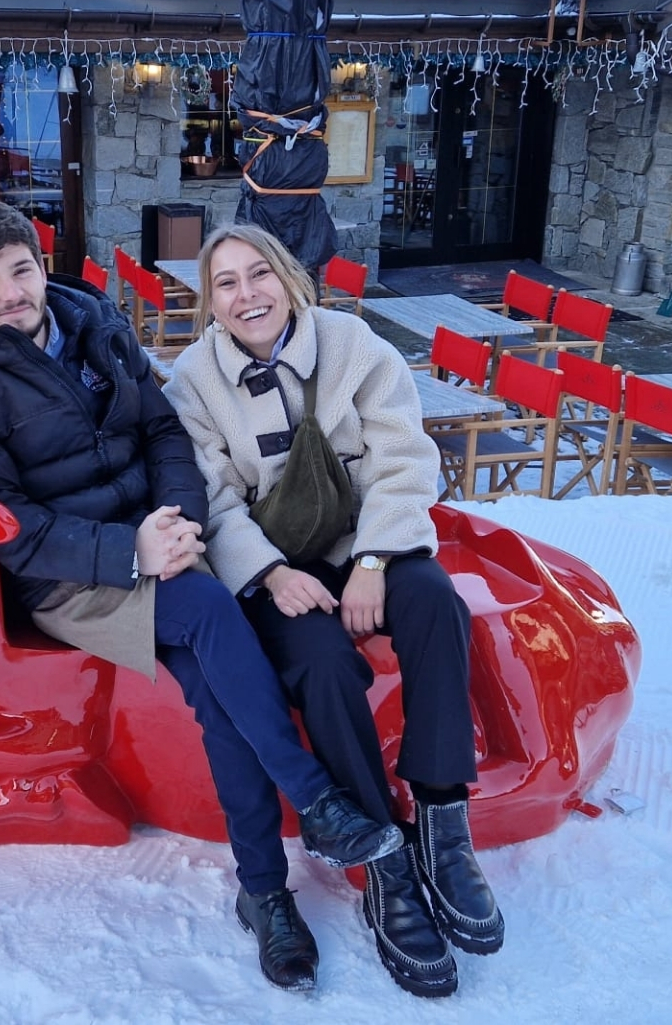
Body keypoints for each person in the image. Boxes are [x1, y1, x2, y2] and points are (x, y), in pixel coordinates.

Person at [0, 200, 403, 993]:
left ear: (43, 267)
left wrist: (174, 520)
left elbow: (166, 433)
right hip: (70, 575)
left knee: (215, 689)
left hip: (161, 541)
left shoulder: (94, 324)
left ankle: (263, 892)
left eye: (21, 270)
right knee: (210, 610)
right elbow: (9, 529)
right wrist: (127, 550)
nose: (11, 292)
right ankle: (314, 798)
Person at [164, 223, 505, 999]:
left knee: (435, 602)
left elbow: (406, 460)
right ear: (209, 303)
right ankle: (380, 851)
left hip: (364, 541)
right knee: (317, 662)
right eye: (226, 283)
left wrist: (377, 560)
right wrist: (272, 575)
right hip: (277, 567)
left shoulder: (355, 346)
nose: (246, 293)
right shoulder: (191, 382)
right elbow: (210, 499)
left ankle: (443, 823)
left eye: (259, 274)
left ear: (288, 279)